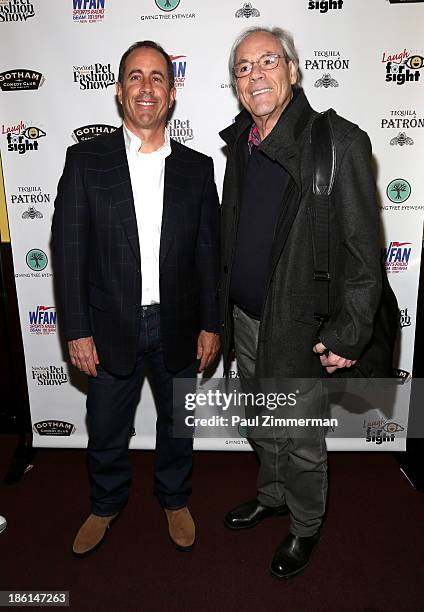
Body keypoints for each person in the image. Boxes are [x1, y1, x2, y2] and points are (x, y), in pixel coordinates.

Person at [219, 27, 382, 578]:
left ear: (293, 70)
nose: (255, 73)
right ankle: (273, 495)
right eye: (243, 67)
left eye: (268, 61)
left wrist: (348, 332)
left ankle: (305, 525)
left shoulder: (338, 143)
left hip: (298, 326)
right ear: (236, 84)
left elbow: (365, 253)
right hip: (243, 320)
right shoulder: (242, 143)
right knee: (261, 425)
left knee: (302, 440)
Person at [52, 40, 220, 558]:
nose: (146, 87)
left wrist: (212, 324)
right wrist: (76, 329)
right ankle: (105, 503)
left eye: (157, 77)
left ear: (171, 93)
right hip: (107, 328)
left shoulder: (198, 167)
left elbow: (209, 256)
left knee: (178, 423)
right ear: (120, 90)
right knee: (105, 428)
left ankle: (174, 497)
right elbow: (69, 247)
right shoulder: (85, 160)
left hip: (179, 323)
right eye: (135, 76)